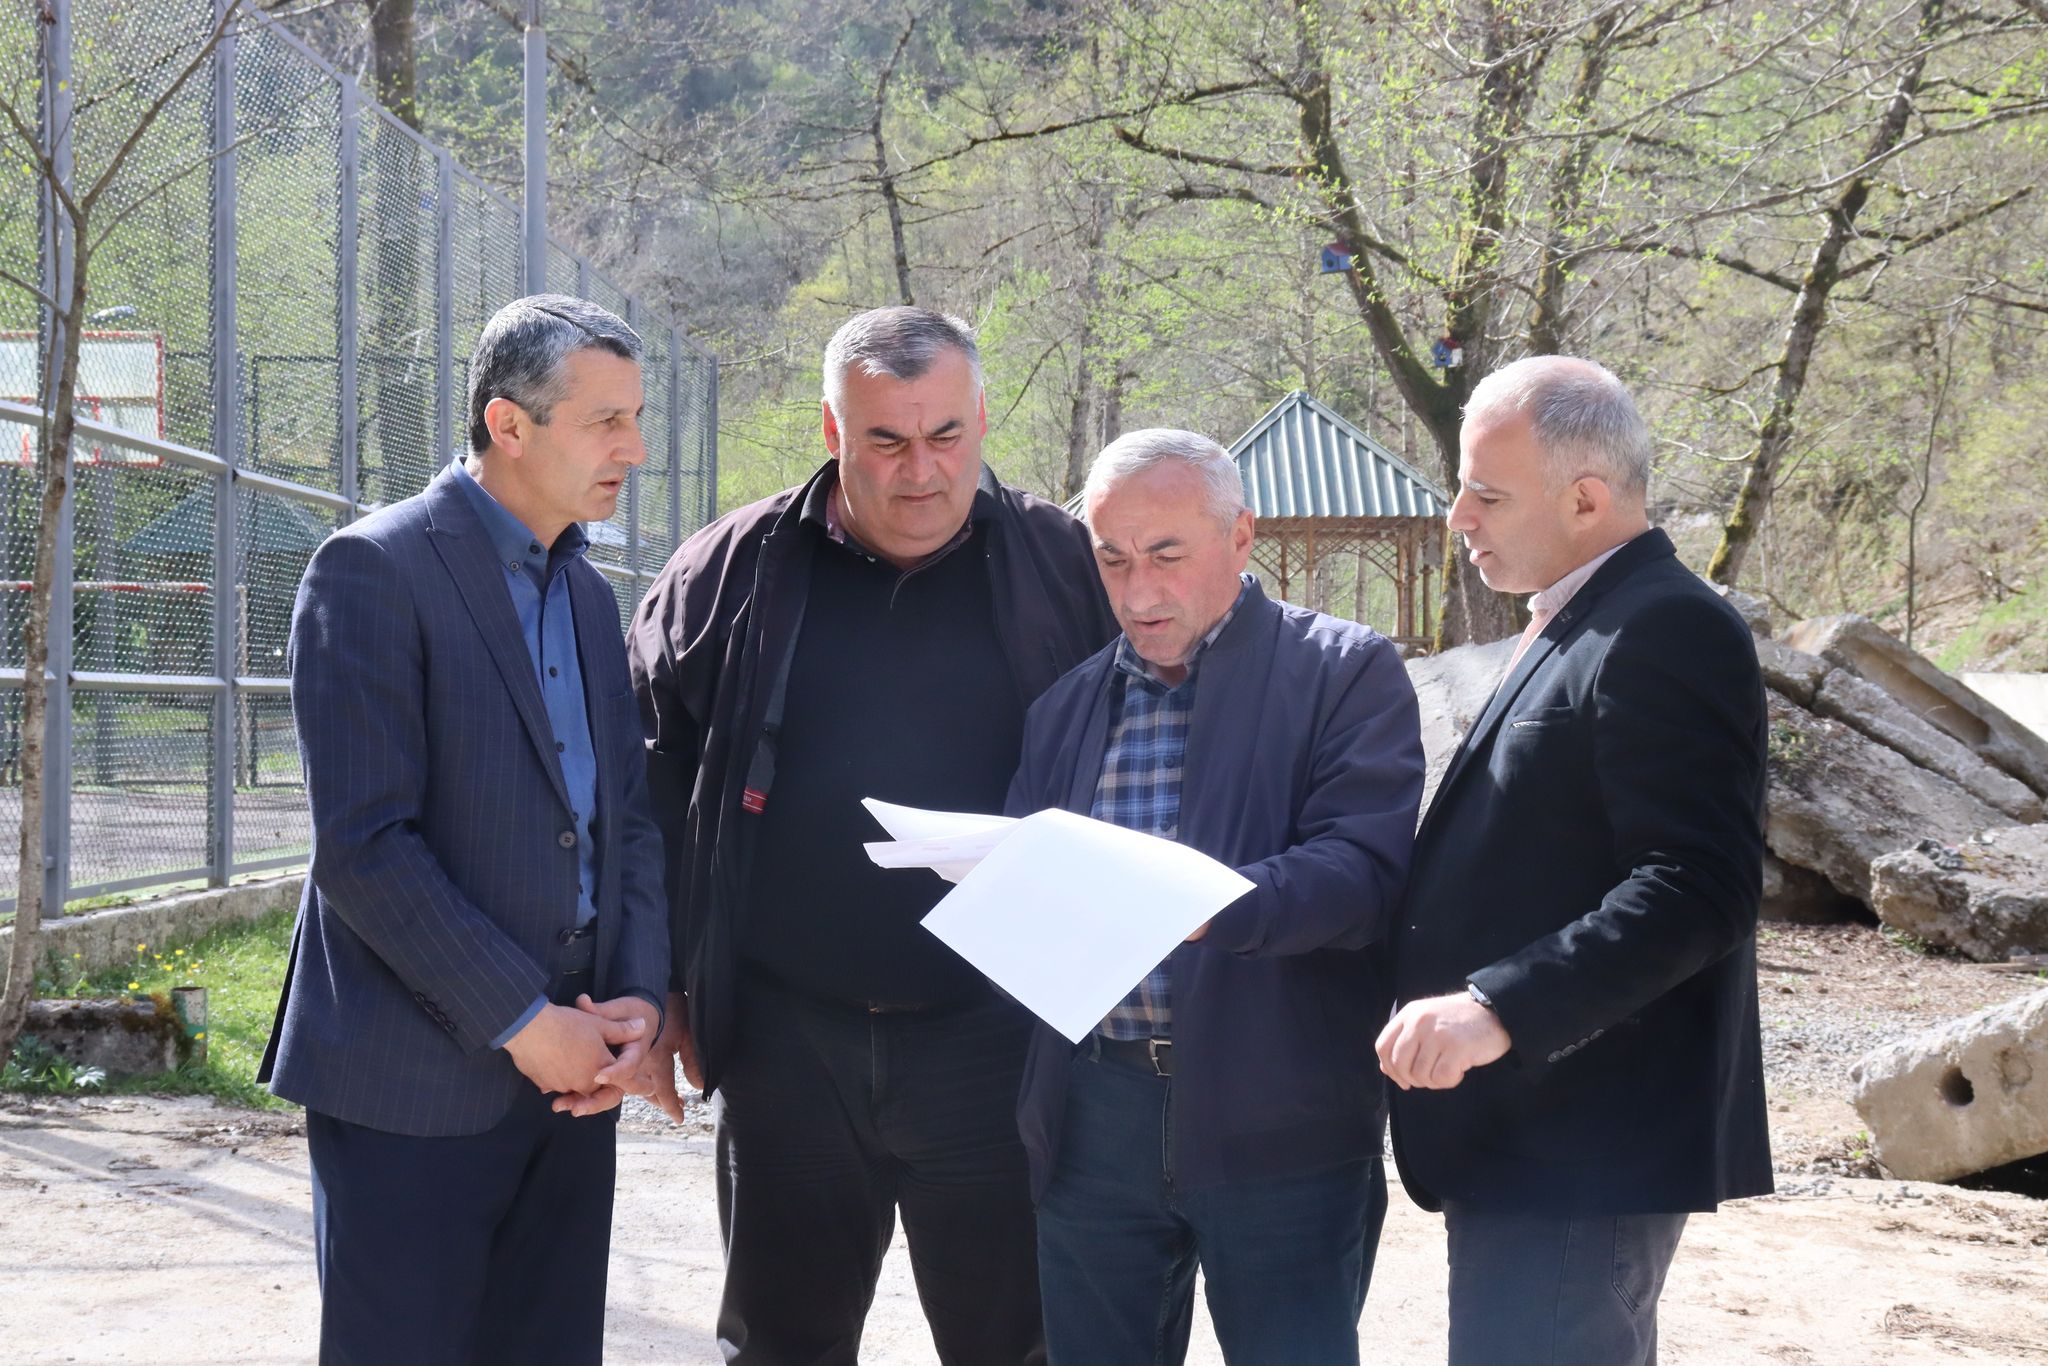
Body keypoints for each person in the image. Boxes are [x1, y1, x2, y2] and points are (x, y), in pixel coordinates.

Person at [627, 306, 1115, 1365]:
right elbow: (645, 786)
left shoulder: (1066, 566)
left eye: (945, 435)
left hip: (998, 1040)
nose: (919, 472)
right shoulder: (728, 572)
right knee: (781, 1346)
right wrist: (658, 982)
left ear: (982, 419)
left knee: (1017, 1348)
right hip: (788, 1041)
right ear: (830, 429)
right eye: (885, 440)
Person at [259, 294, 672, 1365]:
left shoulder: (589, 597)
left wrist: (636, 999)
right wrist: (524, 1021)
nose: (633, 448)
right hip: (413, 1087)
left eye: (635, 418)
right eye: (606, 420)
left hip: (576, 1081)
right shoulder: (372, 569)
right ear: (508, 424)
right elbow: (365, 846)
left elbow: (626, 820)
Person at [1377, 355, 1772, 1365]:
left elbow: (1697, 887)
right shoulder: (1576, 619)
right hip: (1529, 1140)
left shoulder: (1667, 626)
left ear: (1586, 499)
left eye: (1487, 493)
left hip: (1582, 1149)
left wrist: (1496, 1006)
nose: (1457, 516)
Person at [1007, 428, 1425, 1365]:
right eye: (1113, 559)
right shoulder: (1065, 708)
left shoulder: (1344, 671)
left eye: (1166, 555)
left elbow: (1364, 872)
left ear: (1241, 537)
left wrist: (1205, 903)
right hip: (1094, 1113)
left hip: (1278, 1111)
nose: (1137, 592)